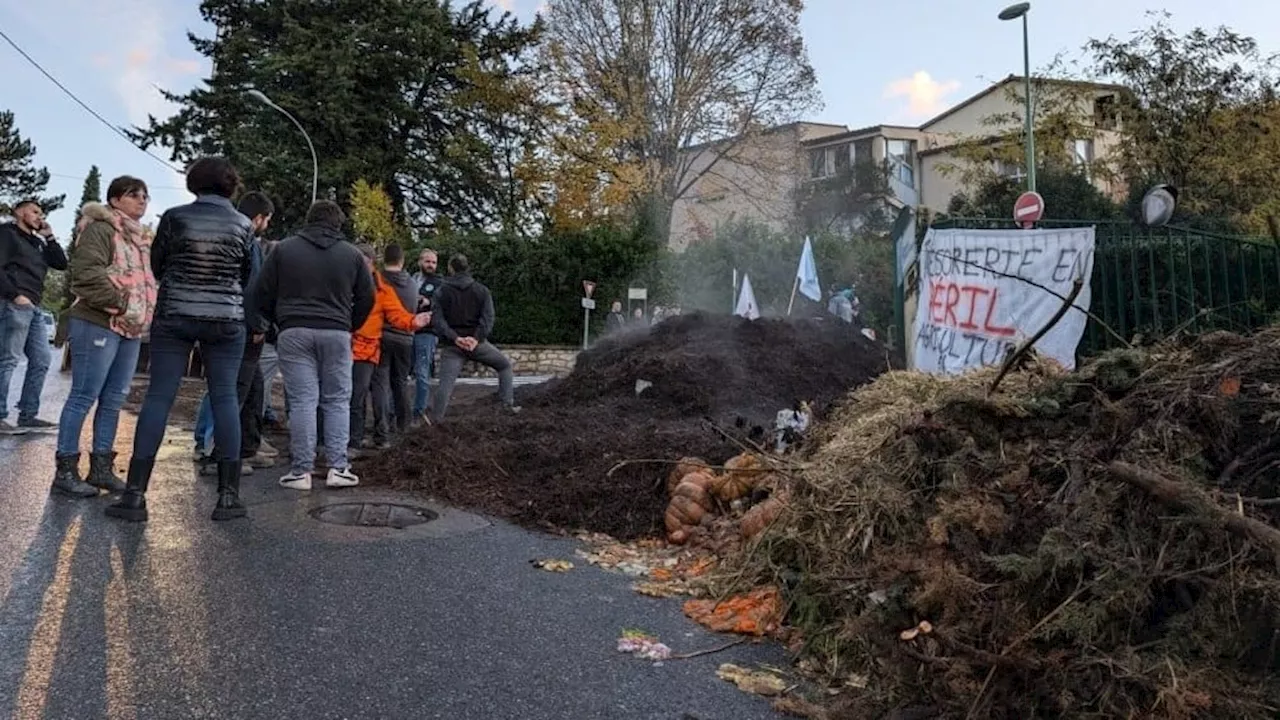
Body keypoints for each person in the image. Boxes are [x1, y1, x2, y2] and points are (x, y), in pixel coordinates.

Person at [105, 156, 254, 524]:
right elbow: (248, 275)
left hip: (175, 314)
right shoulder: (244, 224)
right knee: (225, 397)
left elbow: (159, 265)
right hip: (225, 318)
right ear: (231, 185)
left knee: (159, 396)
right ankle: (228, 497)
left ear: (194, 183)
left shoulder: (174, 217)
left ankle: (136, 496)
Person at [252, 200, 374, 491]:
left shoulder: (283, 250)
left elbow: (261, 292)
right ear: (338, 223)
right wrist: (349, 324)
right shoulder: (353, 256)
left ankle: (301, 471)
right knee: (336, 400)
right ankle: (338, 468)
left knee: (303, 401)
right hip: (336, 332)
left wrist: (278, 322)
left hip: (294, 331)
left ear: (309, 220)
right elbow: (368, 297)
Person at [52, 179, 157, 498]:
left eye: (145, 196)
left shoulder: (140, 239)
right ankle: (66, 471)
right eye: (133, 195)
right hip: (98, 320)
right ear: (115, 199)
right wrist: (124, 304)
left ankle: (101, 469)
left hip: (130, 327)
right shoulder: (99, 228)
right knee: (84, 395)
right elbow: (86, 274)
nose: (142, 200)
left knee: (113, 399)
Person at [201, 191, 276, 475]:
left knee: (253, 388)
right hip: (243, 327)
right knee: (237, 391)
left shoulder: (227, 234)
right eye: (267, 220)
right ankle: (220, 456)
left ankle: (245, 448)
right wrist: (258, 324)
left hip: (226, 320)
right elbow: (252, 287)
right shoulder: (247, 240)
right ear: (258, 218)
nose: (266, 226)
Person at [349, 243, 428, 454]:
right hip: (395, 340)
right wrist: (413, 322)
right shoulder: (409, 283)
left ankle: (364, 437)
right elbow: (398, 312)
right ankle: (399, 430)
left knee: (369, 390)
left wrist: (412, 321)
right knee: (396, 385)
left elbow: (393, 311)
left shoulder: (380, 283)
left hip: (373, 343)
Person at [0, 199, 69, 434]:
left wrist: (49, 236)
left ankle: (28, 415)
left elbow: (61, 264)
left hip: (35, 307)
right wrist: (14, 294)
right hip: (14, 303)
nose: (39, 216)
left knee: (41, 360)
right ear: (19, 212)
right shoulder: (7, 234)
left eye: (42, 213)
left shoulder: (37, 243)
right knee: (8, 360)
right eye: (34, 211)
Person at [430, 254, 518, 422]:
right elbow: (488, 318)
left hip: (453, 346)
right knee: (505, 367)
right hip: (477, 344)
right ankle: (507, 406)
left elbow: (438, 321)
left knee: (445, 384)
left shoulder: (441, 291)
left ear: (450, 269)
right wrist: (476, 338)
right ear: (467, 267)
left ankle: (436, 421)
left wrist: (455, 338)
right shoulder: (482, 290)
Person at [376, 243, 423, 438]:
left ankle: (382, 429)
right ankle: (404, 426)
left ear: (383, 259)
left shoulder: (378, 281)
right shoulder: (412, 284)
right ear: (402, 260)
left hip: (382, 337)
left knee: (381, 384)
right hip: (405, 339)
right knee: (401, 383)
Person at [410, 248, 441, 423]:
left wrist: (427, 301)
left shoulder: (439, 282)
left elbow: (442, 303)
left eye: (434, 262)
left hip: (426, 333)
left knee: (422, 372)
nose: (431, 265)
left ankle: (419, 411)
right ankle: (394, 412)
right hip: (406, 330)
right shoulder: (411, 279)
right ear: (420, 262)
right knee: (399, 374)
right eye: (428, 261)